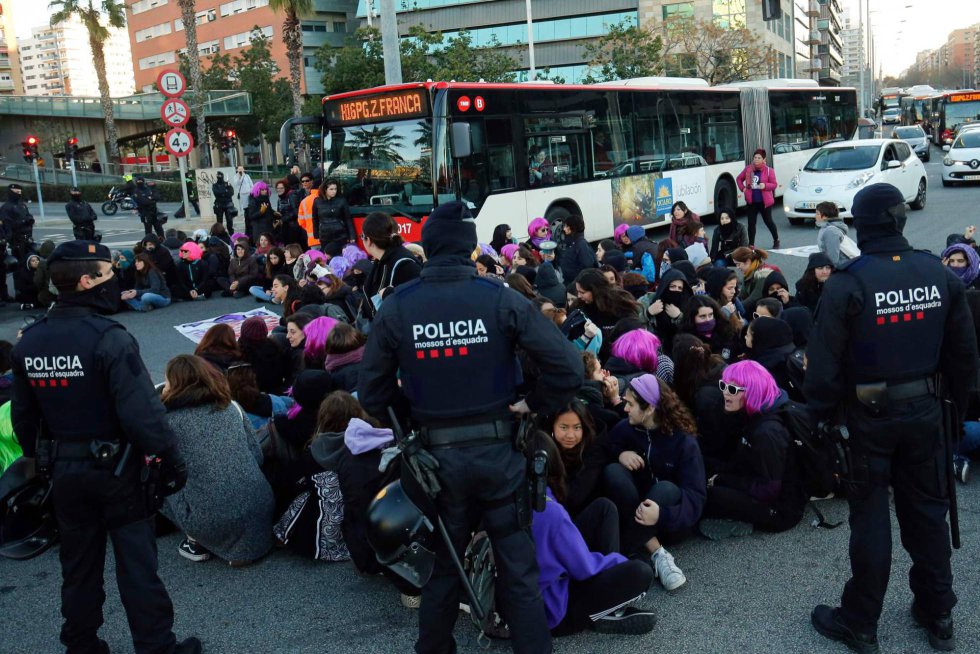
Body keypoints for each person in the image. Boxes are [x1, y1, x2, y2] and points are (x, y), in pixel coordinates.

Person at [358, 200, 584, 654]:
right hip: (501, 454)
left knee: (443, 570)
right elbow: (567, 366)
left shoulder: (399, 306)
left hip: (437, 464)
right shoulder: (499, 297)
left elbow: (372, 393)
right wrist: (532, 405)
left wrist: (417, 414)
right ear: (467, 247)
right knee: (519, 570)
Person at [805, 184, 980, 654]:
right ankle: (938, 612)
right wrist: (956, 410)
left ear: (861, 225)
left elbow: (823, 369)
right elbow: (965, 355)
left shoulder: (848, 282)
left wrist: (820, 417)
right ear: (900, 220)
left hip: (867, 417)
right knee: (928, 514)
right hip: (927, 411)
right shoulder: (937, 272)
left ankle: (861, 621)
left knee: (870, 519)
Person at [9, 240, 201, 654]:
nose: (116, 282)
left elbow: (23, 419)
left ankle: (80, 644)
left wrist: (44, 461)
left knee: (78, 566)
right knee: (137, 565)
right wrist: (171, 461)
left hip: (64, 471)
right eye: (109, 275)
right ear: (85, 280)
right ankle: (156, 647)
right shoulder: (109, 338)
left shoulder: (30, 342)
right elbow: (143, 413)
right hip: (117, 470)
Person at [531, 433, 656, 636]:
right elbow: (584, 568)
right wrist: (619, 562)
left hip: (526, 595)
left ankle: (609, 605)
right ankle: (604, 611)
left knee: (603, 508)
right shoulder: (550, 511)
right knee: (641, 571)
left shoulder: (508, 495)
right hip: (552, 613)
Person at [160, 354, 274, 565]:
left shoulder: (167, 422)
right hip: (261, 507)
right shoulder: (231, 406)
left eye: (167, 381)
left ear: (175, 384)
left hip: (213, 521)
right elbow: (257, 456)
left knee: (160, 477)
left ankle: (196, 540)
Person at [603, 374, 704, 591]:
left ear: (649, 408)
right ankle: (655, 550)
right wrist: (620, 453)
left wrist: (662, 515)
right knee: (613, 471)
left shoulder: (684, 441)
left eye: (630, 403)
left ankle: (619, 555)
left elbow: (696, 497)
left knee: (665, 489)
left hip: (669, 520)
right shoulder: (626, 428)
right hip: (635, 511)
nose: (625, 408)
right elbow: (605, 447)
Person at [700, 360, 806, 538]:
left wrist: (723, 481)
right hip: (764, 482)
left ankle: (737, 522)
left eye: (733, 389)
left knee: (710, 496)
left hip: (781, 511)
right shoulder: (762, 412)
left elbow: (769, 490)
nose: (725, 392)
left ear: (752, 392)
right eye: (724, 385)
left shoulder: (767, 433)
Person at [360, 211, 421, 321]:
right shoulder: (381, 261)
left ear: (368, 240)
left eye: (362, 236)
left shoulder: (404, 264)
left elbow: (415, 305)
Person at [736, 149, 779, 249]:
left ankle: (776, 239)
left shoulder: (769, 171)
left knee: (768, 221)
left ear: (764, 159)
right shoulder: (748, 169)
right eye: (755, 157)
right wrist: (743, 188)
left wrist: (765, 185)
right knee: (751, 223)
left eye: (759, 158)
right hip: (751, 201)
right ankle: (751, 245)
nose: (756, 160)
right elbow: (739, 179)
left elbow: (774, 185)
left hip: (764, 202)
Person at [312, 178, 355, 257]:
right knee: (327, 256)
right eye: (331, 189)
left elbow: (348, 219)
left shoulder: (341, 201)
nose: (334, 191)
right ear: (325, 189)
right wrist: (316, 234)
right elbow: (315, 219)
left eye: (335, 189)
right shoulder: (317, 201)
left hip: (340, 234)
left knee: (341, 256)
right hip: (325, 235)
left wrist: (352, 236)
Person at [0, 183, 36, 269]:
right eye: (16, 192)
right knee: (20, 266)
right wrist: (23, 221)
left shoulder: (22, 205)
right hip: (17, 241)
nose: (19, 194)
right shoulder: (6, 207)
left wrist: (30, 220)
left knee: (30, 263)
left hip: (28, 238)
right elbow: (8, 224)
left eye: (20, 192)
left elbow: (28, 215)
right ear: (10, 193)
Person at [732, 246, 777, 313]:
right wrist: (731, 302)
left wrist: (734, 310)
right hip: (759, 307)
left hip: (769, 311)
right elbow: (742, 295)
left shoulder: (762, 274)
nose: (737, 267)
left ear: (748, 261)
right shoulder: (749, 271)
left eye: (738, 264)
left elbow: (753, 299)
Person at [560, 215, 598, 283]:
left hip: (577, 284)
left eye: (566, 226)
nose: (564, 229)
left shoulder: (581, 244)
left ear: (572, 228)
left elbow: (587, 266)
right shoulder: (573, 242)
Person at [815, 201, 850, 266]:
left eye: (817, 213)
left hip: (840, 269)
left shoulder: (831, 231)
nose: (815, 216)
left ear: (825, 216)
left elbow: (833, 259)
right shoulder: (827, 228)